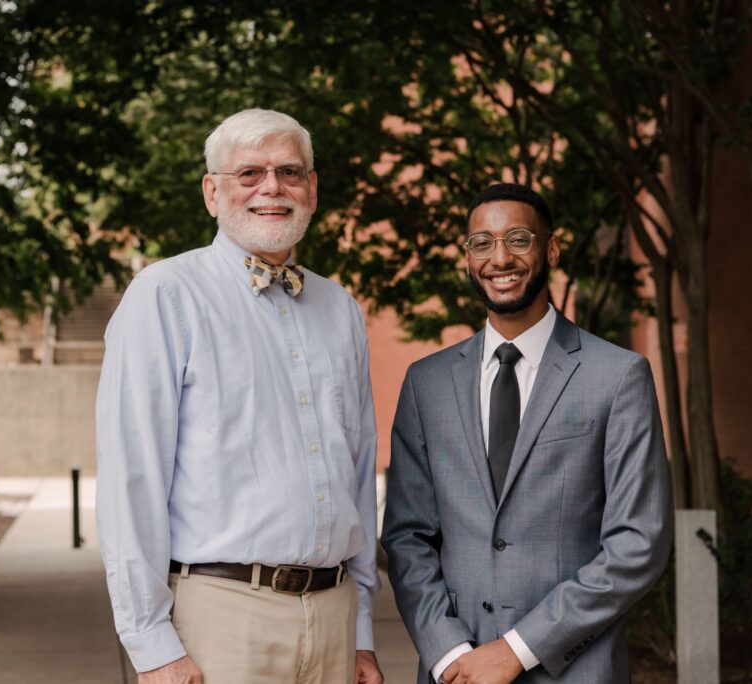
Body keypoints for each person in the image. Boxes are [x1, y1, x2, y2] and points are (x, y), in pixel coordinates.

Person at [96, 108, 383, 684]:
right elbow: (133, 477)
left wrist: (361, 632)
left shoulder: (341, 309)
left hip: (334, 617)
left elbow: (357, 472)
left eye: (289, 172)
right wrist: (152, 646)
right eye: (249, 173)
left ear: (312, 189)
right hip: (219, 621)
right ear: (212, 192)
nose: (271, 187)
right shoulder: (166, 294)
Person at [381, 183, 673, 684]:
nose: (500, 258)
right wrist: (448, 652)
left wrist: (518, 649)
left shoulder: (618, 375)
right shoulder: (425, 383)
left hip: (576, 669)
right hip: (457, 673)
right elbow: (408, 537)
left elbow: (637, 542)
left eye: (518, 239)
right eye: (482, 243)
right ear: (467, 256)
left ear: (551, 248)